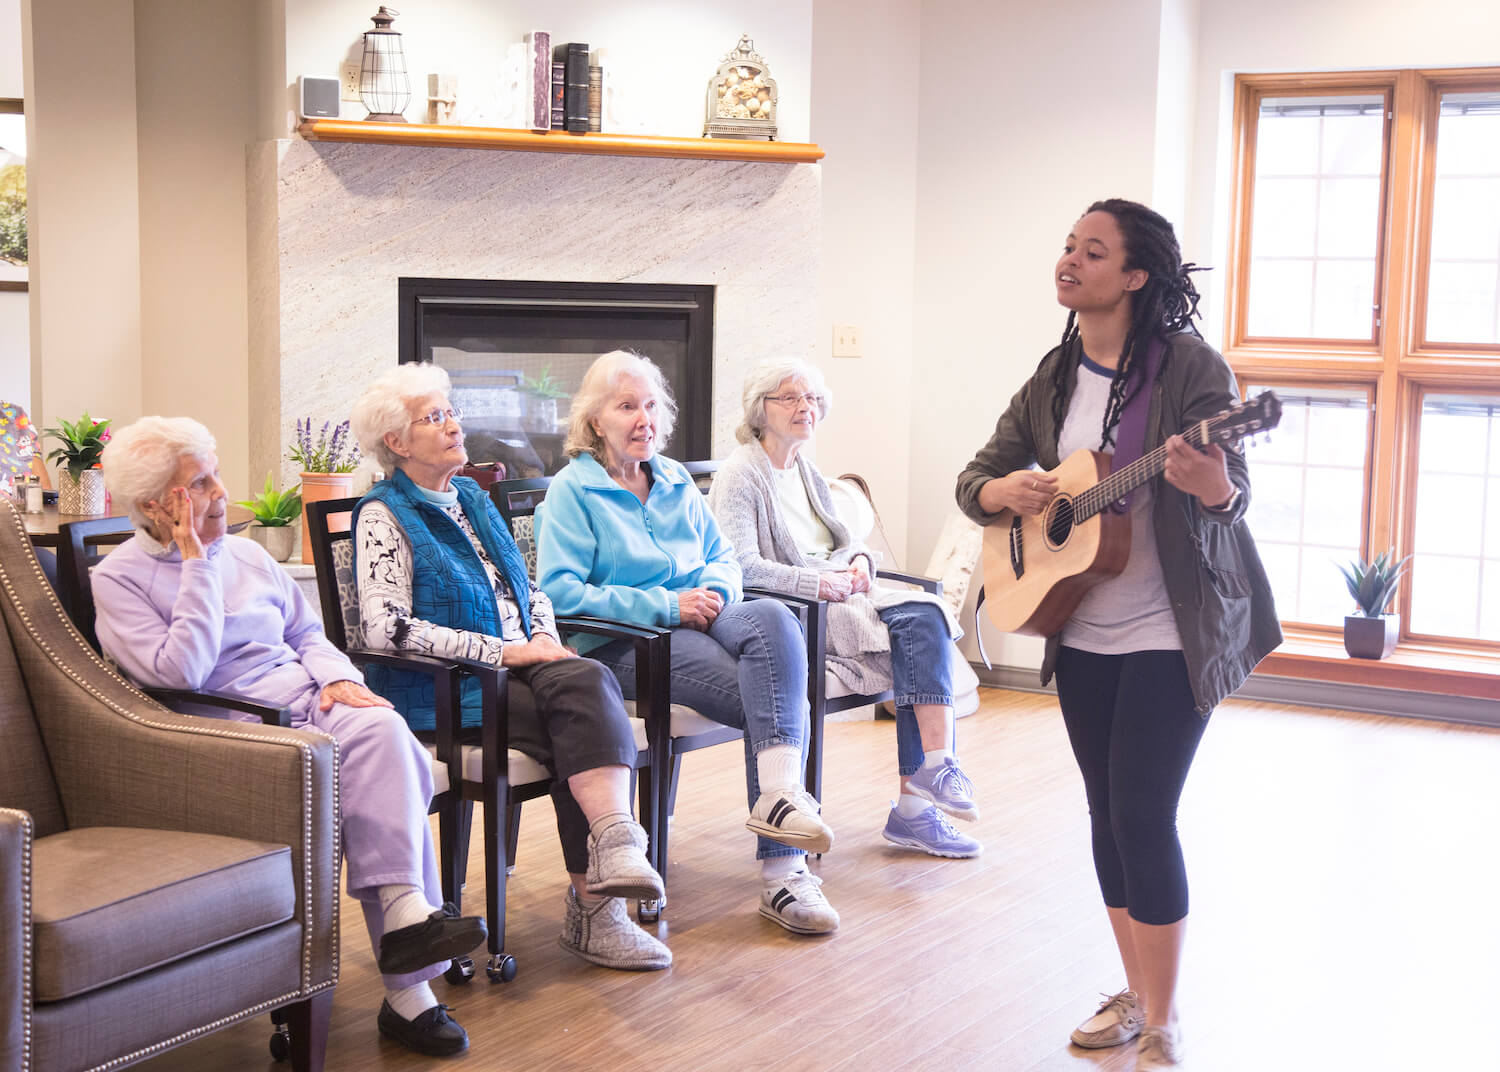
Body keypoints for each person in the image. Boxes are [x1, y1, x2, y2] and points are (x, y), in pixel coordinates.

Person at [955, 199, 1280, 1070]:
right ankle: (1135, 992)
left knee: (1143, 810)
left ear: (1135, 277)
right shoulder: (1055, 375)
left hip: (1174, 627)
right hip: (1084, 627)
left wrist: (1210, 478)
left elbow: (1234, 496)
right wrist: (1005, 496)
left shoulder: (1191, 371)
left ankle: (1165, 1020)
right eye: (1067, 246)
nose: (1070, 262)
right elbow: (976, 478)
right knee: (1106, 815)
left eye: (1092, 252)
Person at [92, 417, 487, 1058]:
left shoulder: (248, 554)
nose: (221, 492)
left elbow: (308, 636)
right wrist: (194, 562)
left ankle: (408, 911)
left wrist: (338, 680)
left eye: (216, 472)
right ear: (152, 506)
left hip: (307, 699)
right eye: (200, 483)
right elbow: (178, 673)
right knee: (349, 764)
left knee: (386, 729)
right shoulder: (119, 581)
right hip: (231, 729)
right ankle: (411, 990)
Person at [349, 363, 671, 973]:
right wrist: (505, 652)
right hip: (446, 691)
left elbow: (532, 590)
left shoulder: (472, 496)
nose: (453, 424)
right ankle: (600, 902)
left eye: (450, 411)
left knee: (583, 678)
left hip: (520, 672)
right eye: (434, 416)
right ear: (396, 442)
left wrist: (544, 640)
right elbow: (384, 630)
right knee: (580, 711)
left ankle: (611, 861)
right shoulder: (382, 514)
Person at [536, 350, 840, 936]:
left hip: (701, 615)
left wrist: (714, 596)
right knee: (773, 694)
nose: (643, 418)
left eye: (650, 405)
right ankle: (784, 874)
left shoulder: (673, 478)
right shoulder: (572, 492)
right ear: (596, 421)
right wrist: (666, 605)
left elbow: (723, 558)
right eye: (627, 406)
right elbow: (560, 592)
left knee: (776, 618)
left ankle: (778, 800)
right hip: (626, 643)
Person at [709, 358, 981, 860]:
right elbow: (740, 567)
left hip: (839, 591)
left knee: (926, 612)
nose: (805, 407)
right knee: (914, 636)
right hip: (795, 606)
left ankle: (935, 771)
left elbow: (843, 539)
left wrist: (857, 560)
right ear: (759, 410)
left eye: (811, 398)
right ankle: (916, 813)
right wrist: (819, 582)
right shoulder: (741, 475)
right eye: (789, 398)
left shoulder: (806, 471)